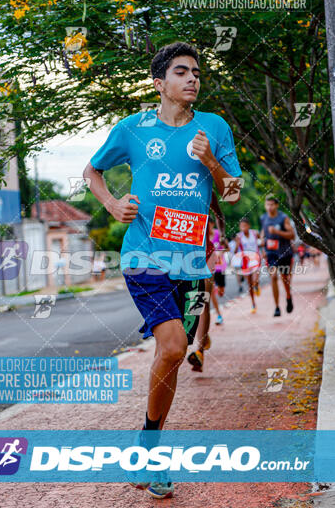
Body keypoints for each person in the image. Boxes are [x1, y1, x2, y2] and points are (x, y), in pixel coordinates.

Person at [83, 41, 242, 499]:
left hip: (191, 263)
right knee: (173, 348)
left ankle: (146, 445)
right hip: (144, 257)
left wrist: (210, 159)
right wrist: (112, 204)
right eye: (182, 72)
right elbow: (92, 171)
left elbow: (231, 193)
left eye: (196, 72)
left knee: (171, 357)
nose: (193, 78)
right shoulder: (132, 129)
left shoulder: (214, 127)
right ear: (160, 83)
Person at [187, 194, 227, 373]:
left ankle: (199, 351)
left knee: (201, 300)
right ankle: (202, 336)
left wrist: (223, 235)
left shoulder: (205, 189)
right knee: (190, 305)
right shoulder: (167, 187)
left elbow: (219, 214)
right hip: (182, 252)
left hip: (206, 251)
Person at [260, 195, 295, 317]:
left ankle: (288, 297)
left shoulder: (283, 218)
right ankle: (276, 307)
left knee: (285, 279)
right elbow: (262, 234)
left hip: (284, 252)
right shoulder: (263, 218)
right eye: (267, 204)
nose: (269, 207)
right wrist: (262, 245)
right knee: (273, 277)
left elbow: (292, 235)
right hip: (271, 254)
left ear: (276, 205)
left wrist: (278, 232)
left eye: (271, 204)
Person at [234, 218, 261, 313]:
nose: (243, 228)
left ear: (249, 226)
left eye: (245, 226)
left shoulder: (255, 233)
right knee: (249, 284)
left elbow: (261, 243)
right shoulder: (239, 236)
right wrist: (237, 245)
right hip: (245, 262)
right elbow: (235, 251)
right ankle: (253, 304)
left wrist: (263, 249)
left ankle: (257, 285)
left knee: (254, 280)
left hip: (256, 259)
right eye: (241, 226)